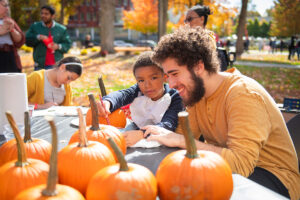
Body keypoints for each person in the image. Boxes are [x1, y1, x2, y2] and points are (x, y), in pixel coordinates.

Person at [146, 26, 299, 199]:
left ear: (198, 67)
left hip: (274, 179)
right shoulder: (197, 93)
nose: (171, 84)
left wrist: (180, 140)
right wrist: (149, 136)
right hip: (226, 169)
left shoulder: (243, 94)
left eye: (174, 74)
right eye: (168, 76)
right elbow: (179, 140)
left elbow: (240, 165)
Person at [97, 51, 184, 147]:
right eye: (141, 80)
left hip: (164, 143)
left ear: (165, 77)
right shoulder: (138, 91)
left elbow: (168, 125)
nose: (147, 85)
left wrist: (141, 134)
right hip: (135, 133)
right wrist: (108, 102)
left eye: (153, 78)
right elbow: (122, 95)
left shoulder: (175, 97)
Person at [25, 5, 72, 71]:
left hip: (56, 66)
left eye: (46, 14)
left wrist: (58, 46)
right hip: (40, 65)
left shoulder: (62, 29)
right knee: (40, 81)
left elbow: (68, 45)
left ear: (53, 16)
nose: (43, 15)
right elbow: (27, 41)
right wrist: (38, 37)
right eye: (42, 13)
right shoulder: (35, 26)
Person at [184, 5, 229, 71]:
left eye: (190, 19)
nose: (187, 23)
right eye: (186, 20)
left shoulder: (208, 38)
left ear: (202, 19)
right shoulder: (189, 38)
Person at [0, 0, 25, 73]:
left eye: (8, 5)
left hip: (10, 57)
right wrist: (1, 31)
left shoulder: (9, 20)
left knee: (13, 82)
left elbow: (20, 41)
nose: (7, 8)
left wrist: (12, 30)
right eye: (4, 5)